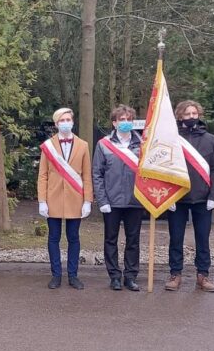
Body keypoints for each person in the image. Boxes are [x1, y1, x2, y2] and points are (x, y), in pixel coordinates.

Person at [165, 100, 214, 292]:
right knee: (176, 238)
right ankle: (175, 274)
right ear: (180, 116)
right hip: (178, 197)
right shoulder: (171, 139)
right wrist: (168, 196)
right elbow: (164, 168)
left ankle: (203, 275)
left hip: (203, 197)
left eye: (194, 113)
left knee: (202, 238)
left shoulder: (211, 139)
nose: (191, 117)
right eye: (187, 114)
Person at [38, 108, 93, 290]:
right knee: (53, 237)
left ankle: (73, 275)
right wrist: (42, 200)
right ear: (56, 124)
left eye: (68, 119)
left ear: (73, 122)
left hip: (75, 198)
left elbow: (86, 175)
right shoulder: (48, 146)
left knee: (73, 237)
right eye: (62, 120)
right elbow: (43, 175)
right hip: (53, 198)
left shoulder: (83, 145)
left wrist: (87, 200)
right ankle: (56, 275)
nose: (66, 122)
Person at [92, 105, 144, 291]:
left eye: (129, 119)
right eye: (122, 120)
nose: (125, 123)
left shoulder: (142, 143)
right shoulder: (103, 144)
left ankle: (130, 276)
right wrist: (102, 200)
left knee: (133, 240)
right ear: (114, 123)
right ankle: (114, 275)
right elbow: (97, 174)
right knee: (110, 239)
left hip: (135, 200)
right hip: (111, 201)